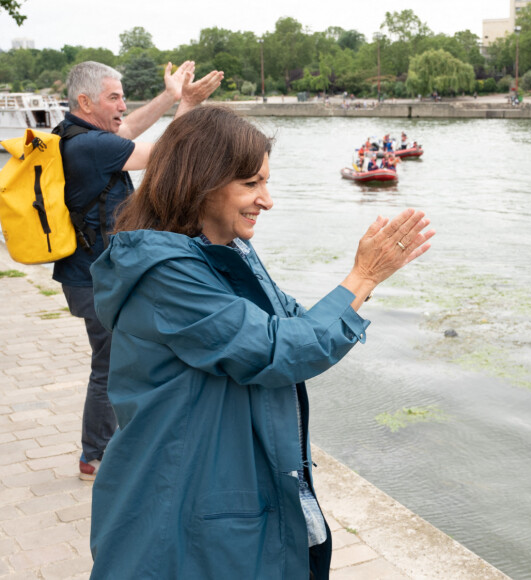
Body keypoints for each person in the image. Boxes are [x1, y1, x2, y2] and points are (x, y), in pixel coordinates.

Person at [88, 105, 434, 579]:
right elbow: (276, 351)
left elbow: (297, 327)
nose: (266, 201)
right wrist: (362, 276)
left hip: (226, 481)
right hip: (180, 494)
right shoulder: (166, 275)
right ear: (201, 181)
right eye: (251, 185)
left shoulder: (229, 254)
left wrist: (361, 285)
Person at [52, 60, 224, 481]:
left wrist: (169, 97)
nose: (123, 106)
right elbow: (166, 156)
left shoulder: (76, 133)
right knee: (111, 364)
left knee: (122, 357)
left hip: (89, 274)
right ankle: (95, 456)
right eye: (114, 98)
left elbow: (128, 131)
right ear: (85, 101)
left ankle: (120, 442)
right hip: (94, 279)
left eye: (123, 96)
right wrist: (186, 104)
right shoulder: (92, 147)